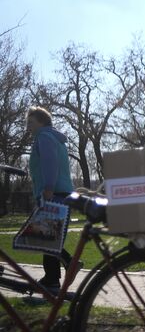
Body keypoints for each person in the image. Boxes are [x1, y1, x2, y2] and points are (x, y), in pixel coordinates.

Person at [26, 106, 74, 289]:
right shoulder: (56, 138)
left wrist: (48, 188)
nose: (28, 126)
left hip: (52, 192)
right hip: (62, 192)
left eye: (31, 122)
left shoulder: (44, 137)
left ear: (42, 121)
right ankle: (53, 277)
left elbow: (49, 162)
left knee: (45, 236)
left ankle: (62, 269)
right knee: (47, 236)